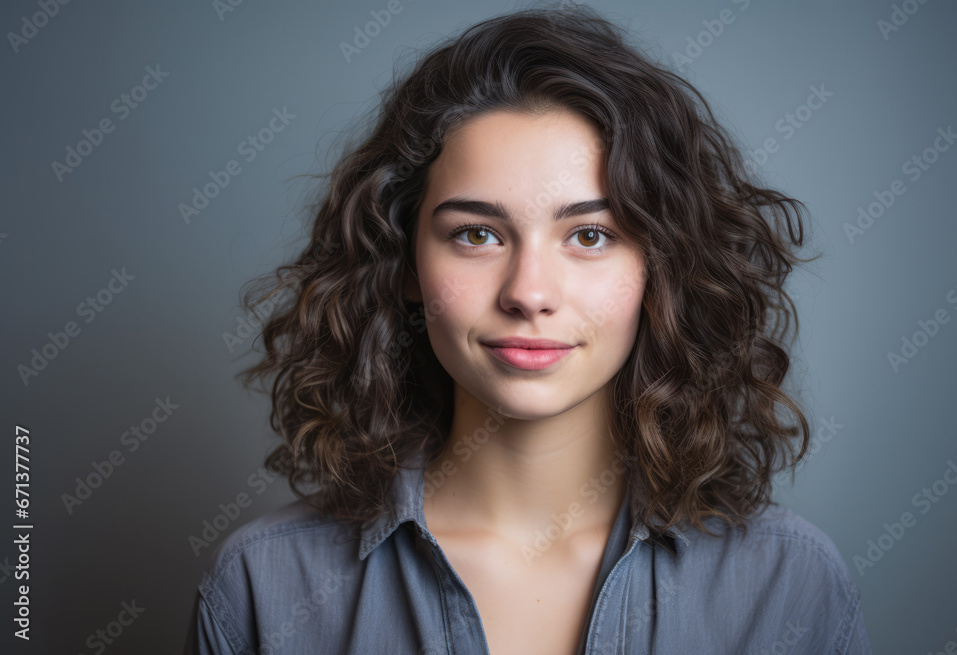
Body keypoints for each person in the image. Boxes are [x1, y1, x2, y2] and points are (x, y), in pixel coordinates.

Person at [183, 3, 872, 653]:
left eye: (592, 235)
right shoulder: (260, 591)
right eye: (478, 234)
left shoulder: (790, 585)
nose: (529, 292)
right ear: (404, 263)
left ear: (661, 265)